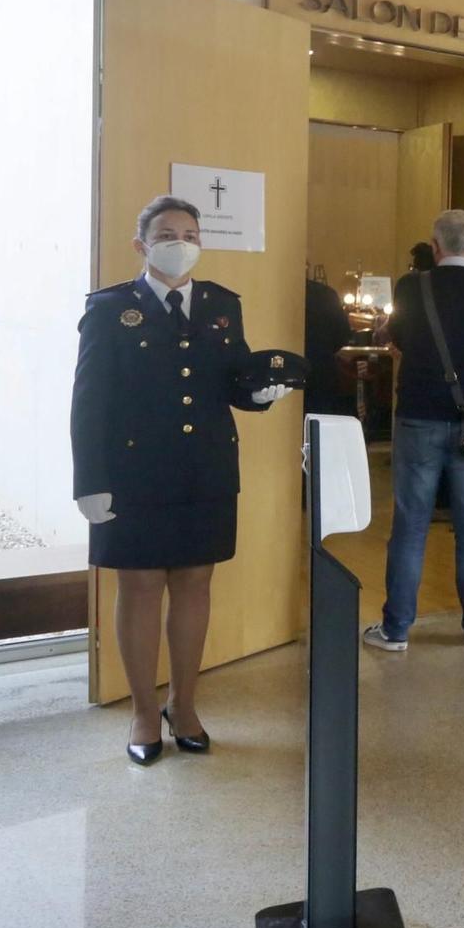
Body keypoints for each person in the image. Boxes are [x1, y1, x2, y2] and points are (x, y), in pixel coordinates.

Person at [71, 195, 292, 765]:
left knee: (196, 584)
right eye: (168, 233)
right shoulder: (110, 308)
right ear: (141, 244)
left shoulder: (221, 304)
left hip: (205, 468)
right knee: (141, 588)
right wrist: (89, 479)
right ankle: (144, 713)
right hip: (134, 474)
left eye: (190, 233)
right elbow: (89, 401)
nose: (181, 242)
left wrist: (258, 394)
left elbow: (232, 378)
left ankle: (184, 704)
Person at [362, 209, 464, 651]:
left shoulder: (413, 287)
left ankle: (395, 629)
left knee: (410, 522)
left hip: (418, 415)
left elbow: (400, 338)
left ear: (435, 248)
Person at [303, 272, 352, 417]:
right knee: (321, 421)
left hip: (287, 367)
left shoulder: (276, 291)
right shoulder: (326, 294)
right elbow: (343, 334)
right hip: (322, 368)